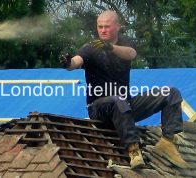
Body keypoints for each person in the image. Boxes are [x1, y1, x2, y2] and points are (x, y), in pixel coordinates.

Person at [60, 10, 188, 169]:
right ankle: (133, 151)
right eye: (100, 27)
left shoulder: (125, 45)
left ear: (118, 26)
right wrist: (68, 63)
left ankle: (168, 142)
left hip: (125, 106)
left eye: (107, 26)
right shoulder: (90, 48)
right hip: (99, 109)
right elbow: (76, 62)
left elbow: (131, 54)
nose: (103, 30)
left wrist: (110, 48)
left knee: (171, 92)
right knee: (117, 99)